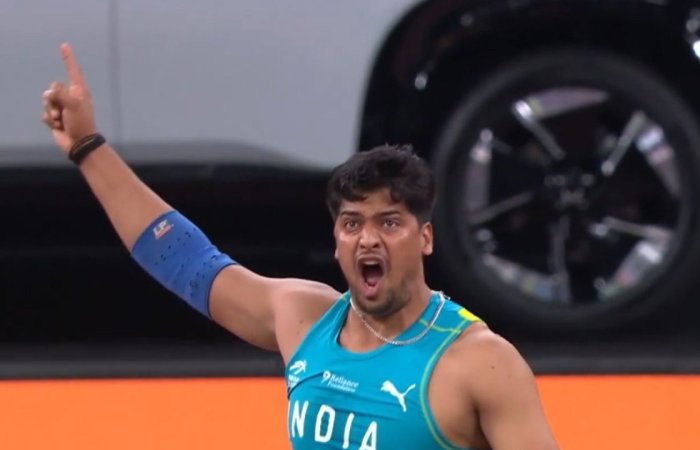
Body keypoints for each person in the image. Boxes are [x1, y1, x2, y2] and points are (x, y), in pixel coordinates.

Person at [41, 43, 560, 450]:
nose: (368, 238)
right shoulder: (303, 319)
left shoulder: (480, 364)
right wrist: (88, 148)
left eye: (389, 222)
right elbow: (183, 259)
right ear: (336, 241)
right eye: (352, 224)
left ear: (424, 238)